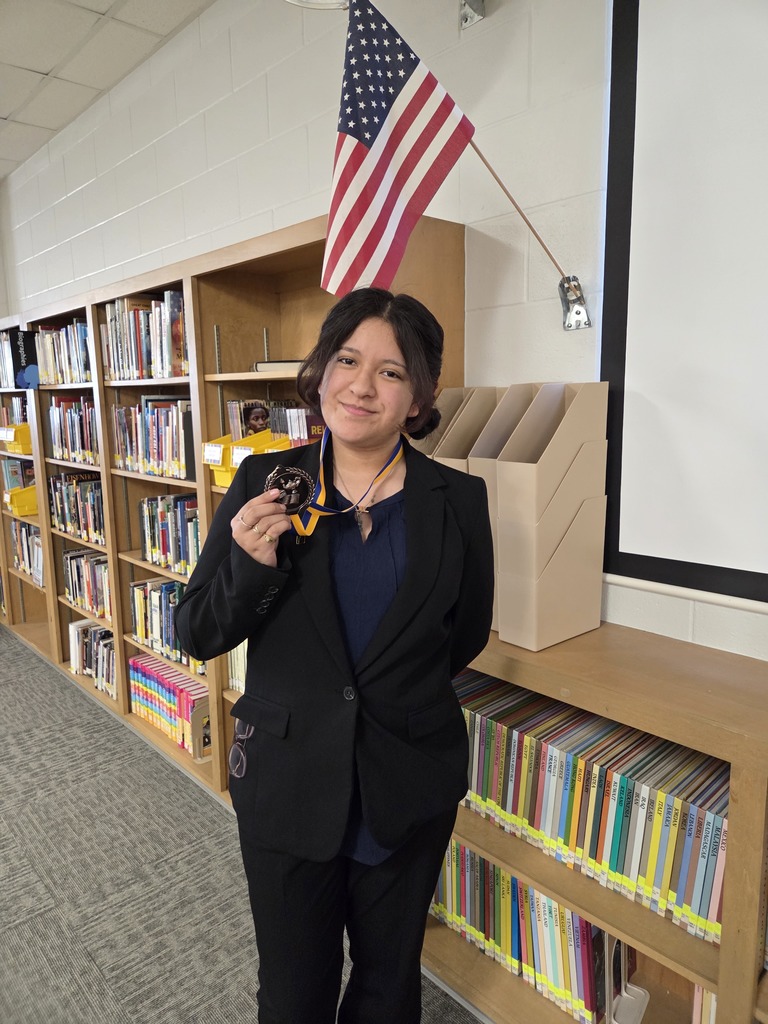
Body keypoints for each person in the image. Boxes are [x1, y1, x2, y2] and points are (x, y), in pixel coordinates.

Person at [174, 287, 494, 1024]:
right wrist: (251, 567)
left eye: (391, 371)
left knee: (388, 986)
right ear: (320, 370)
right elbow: (196, 630)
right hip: (287, 783)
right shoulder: (264, 483)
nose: (361, 384)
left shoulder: (459, 502)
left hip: (406, 781)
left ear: (419, 396)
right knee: (294, 992)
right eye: (347, 359)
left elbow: (464, 631)